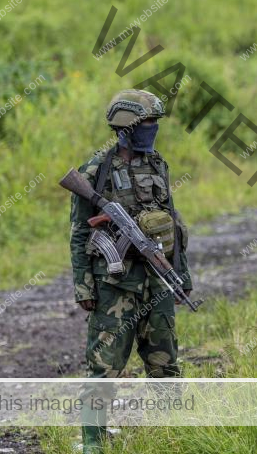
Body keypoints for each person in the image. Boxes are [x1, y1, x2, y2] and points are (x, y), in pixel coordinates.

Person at [69, 89, 193, 452]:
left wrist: (181, 275)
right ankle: (93, 442)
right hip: (115, 286)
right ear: (126, 127)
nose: (153, 128)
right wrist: (84, 287)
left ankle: (169, 435)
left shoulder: (158, 164)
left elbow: (172, 222)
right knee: (104, 366)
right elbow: (79, 232)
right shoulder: (96, 170)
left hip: (157, 281)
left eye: (155, 122)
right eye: (147, 122)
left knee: (165, 363)